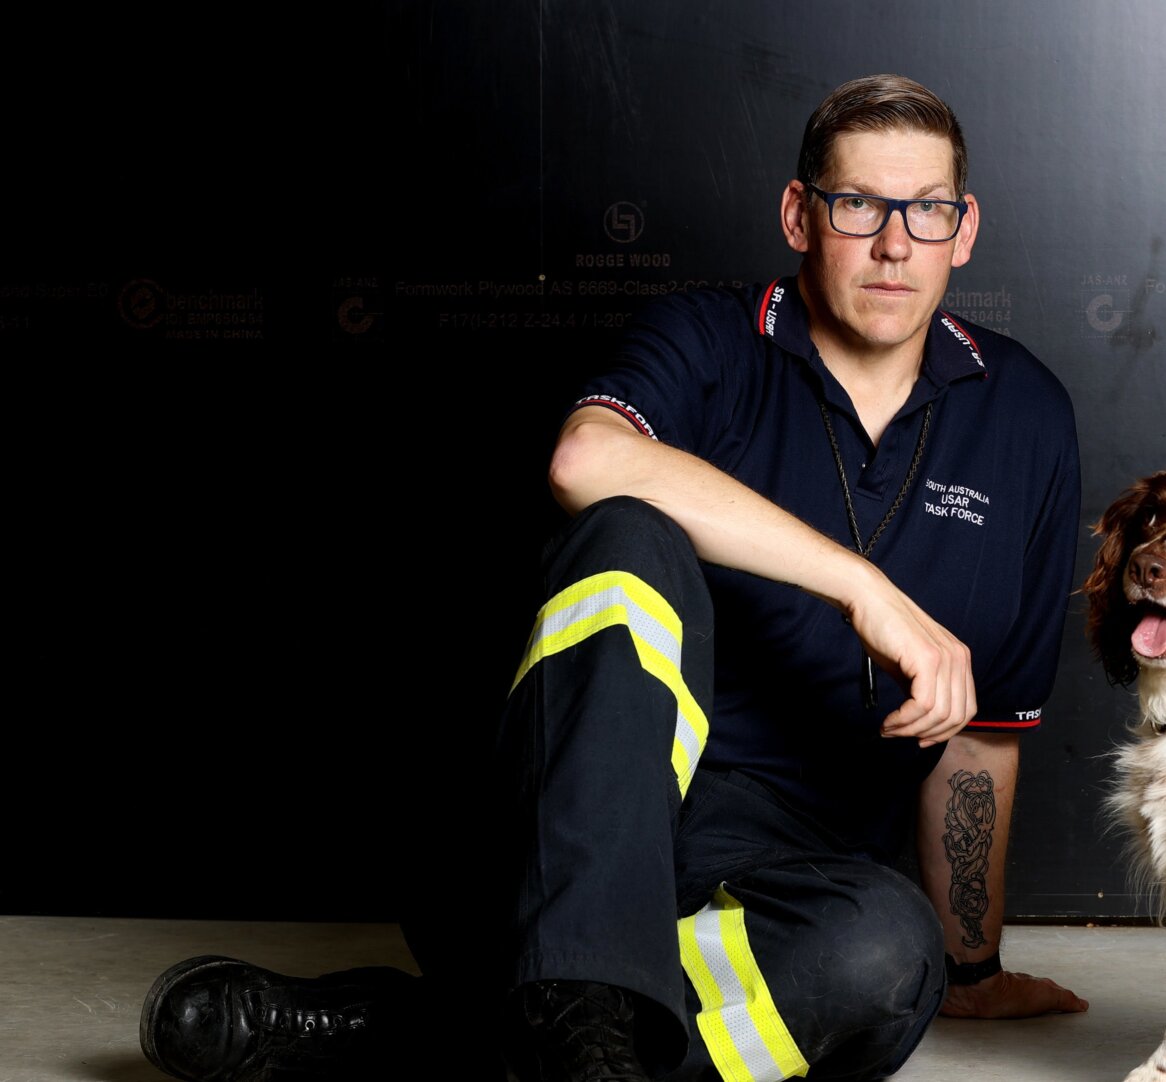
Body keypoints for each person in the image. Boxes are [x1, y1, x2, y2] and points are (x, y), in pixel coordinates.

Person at [139, 73, 1086, 1082]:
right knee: (629, 531)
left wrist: (969, 961)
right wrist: (863, 585)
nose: (895, 242)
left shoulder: (1024, 414)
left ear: (965, 226)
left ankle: (427, 1030)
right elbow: (584, 461)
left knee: (886, 956)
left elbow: (979, 744)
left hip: (762, 887)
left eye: (927, 209)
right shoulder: (710, 337)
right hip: (546, 842)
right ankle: (581, 1019)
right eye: (858, 204)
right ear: (800, 214)